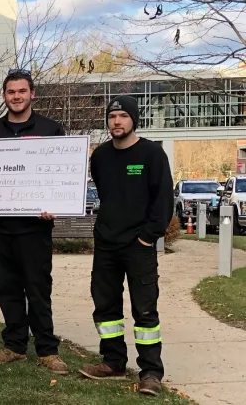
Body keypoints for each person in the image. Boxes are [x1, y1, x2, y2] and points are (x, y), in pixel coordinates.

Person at [0, 69, 69, 375]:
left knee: (38, 290)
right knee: (7, 288)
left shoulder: (50, 130)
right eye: (11, 92)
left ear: (32, 94)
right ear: (4, 96)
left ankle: (47, 350)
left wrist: (55, 203)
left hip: (34, 229)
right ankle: (14, 346)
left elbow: (62, 173)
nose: (16, 96)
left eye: (22, 91)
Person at [80, 95, 172, 397]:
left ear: (134, 120)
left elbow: (163, 201)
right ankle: (113, 362)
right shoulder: (101, 156)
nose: (116, 121)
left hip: (139, 246)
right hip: (107, 245)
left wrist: (148, 237)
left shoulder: (152, 154)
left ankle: (151, 373)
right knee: (105, 306)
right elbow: (106, 195)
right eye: (112, 116)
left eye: (122, 116)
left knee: (145, 311)